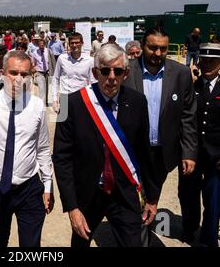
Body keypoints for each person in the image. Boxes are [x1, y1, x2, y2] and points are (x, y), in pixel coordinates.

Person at [53, 44, 159, 247]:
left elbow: (144, 152)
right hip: (87, 193)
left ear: (125, 74)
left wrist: (152, 198)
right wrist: (72, 207)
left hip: (123, 192)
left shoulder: (138, 102)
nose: (111, 76)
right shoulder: (70, 103)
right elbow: (61, 158)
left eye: (117, 71)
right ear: (95, 72)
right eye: (105, 70)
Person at [0, 50, 54, 247]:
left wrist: (48, 185)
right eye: (13, 73)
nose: (18, 79)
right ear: (2, 74)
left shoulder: (37, 106)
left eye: (24, 74)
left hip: (29, 187)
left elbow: (42, 148)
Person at [124, 26, 197, 244]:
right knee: (138, 198)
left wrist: (189, 152)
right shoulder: (126, 71)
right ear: (142, 46)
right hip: (132, 151)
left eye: (163, 49)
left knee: (151, 196)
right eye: (153, 48)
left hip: (163, 153)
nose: (157, 53)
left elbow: (188, 116)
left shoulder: (181, 74)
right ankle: (139, 239)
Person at [182, 43, 220, 246]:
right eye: (204, 60)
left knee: (213, 199)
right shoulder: (189, 86)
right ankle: (189, 228)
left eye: (212, 61)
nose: (207, 65)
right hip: (191, 154)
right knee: (188, 195)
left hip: (217, 154)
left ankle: (208, 239)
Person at [52, 32, 95, 113]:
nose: (74, 45)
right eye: (72, 43)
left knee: (81, 125)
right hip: (65, 97)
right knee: (62, 124)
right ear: (69, 44)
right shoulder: (62, 58)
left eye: (77, 42)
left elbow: (93, 82)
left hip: (82, 98)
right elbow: (55, 79)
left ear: (82, 43)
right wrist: (54, 100)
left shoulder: (90, 60)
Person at [31, 39, 56, 106]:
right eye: (40, 44)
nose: (41, 45)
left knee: (48, 88)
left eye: (42, 44)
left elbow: (53, 61)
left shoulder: (48, 51)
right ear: (38, 45)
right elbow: (33, 63)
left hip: (48, 72)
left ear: (44, 44)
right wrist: (34, 68)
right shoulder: (35, 53)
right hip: (39, 73)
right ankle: (42, 105)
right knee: (41, 89)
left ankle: (47, 102)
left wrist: (54, 72)